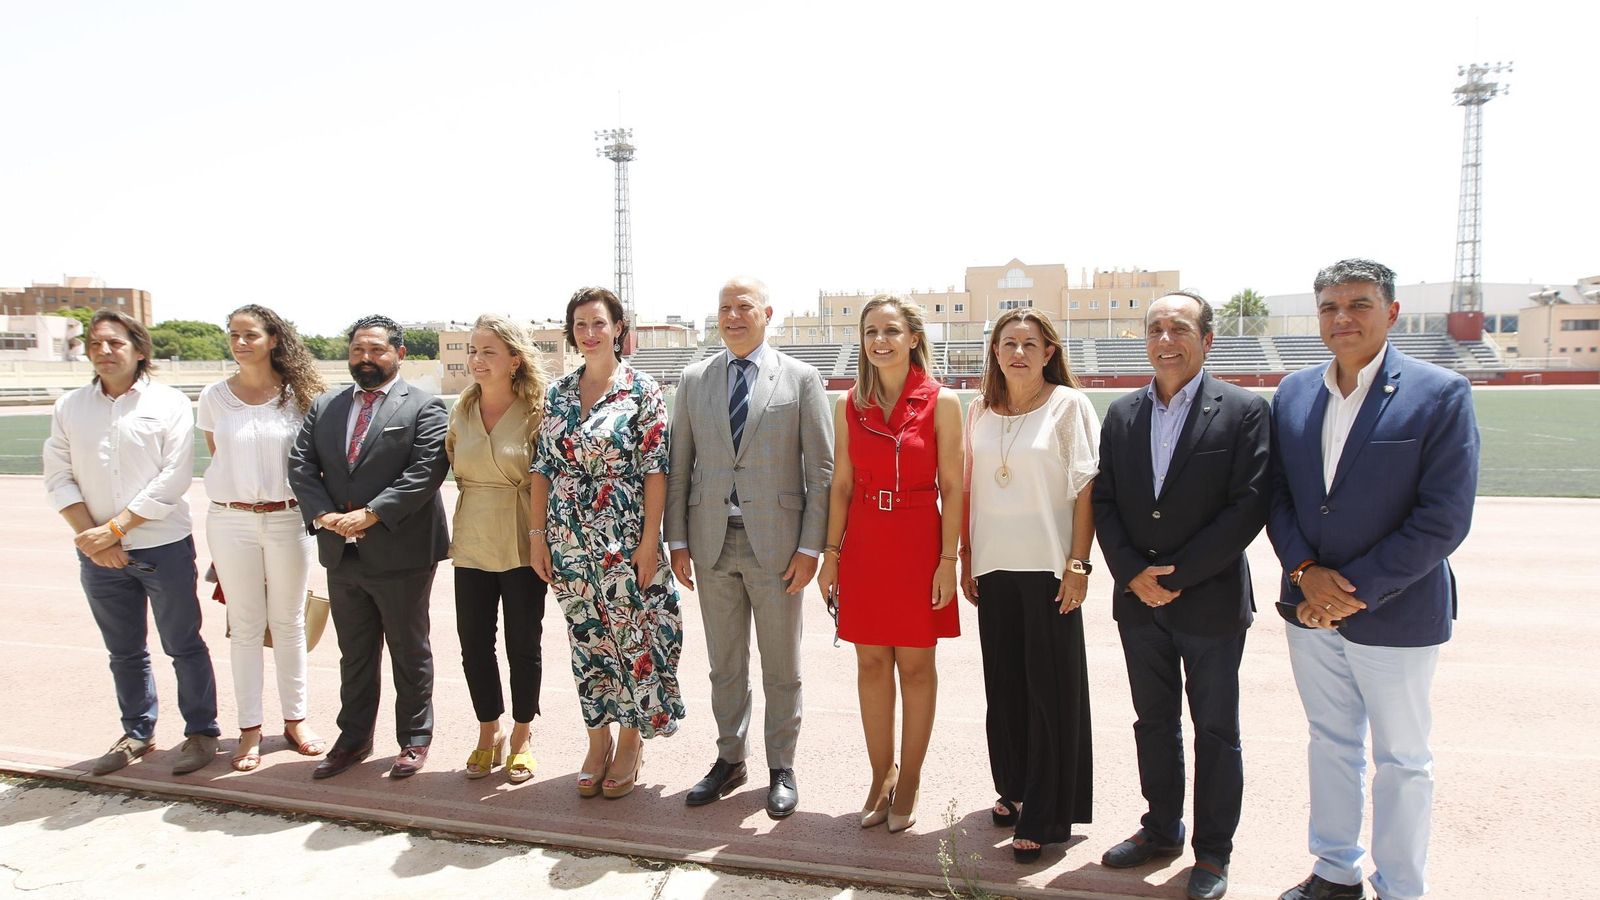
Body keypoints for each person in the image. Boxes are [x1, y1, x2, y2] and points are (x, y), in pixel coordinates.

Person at [1268, 260, 1479, 900]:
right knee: (1330, 743)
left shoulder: (1439, 393)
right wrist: (1307, 574)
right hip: (1308, 609)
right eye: (1331, 306)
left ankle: (1401, 887)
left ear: (1390, 313)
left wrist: (1346, 591)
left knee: (1403, 760)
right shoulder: (1293, 393)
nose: (1343, 318)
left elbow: (1443, 518)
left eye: (1359, 305)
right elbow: (1276, 497)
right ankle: (1336, 872)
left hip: (1397, 610)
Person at [1092, 291, 1271, 900]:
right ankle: (1161, 828)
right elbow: (1106, 501)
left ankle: (1213, 853)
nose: (1166, 339)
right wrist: (1128, 574)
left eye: (1180, 328)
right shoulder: (1120, 415)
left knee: (1216, 729)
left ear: (1207, 339)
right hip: (1138, 602)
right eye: (1155, 328)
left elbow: (1248, 506)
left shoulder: (1244, 410)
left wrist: (1177, 575)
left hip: (1210, 601)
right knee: (1154, 721)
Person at [666, 276, 833, 819]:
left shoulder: (802, 379)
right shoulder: (694, 380)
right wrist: (678, 539)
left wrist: (812, 548)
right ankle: (729, 759)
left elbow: (822, 471)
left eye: (743, 307)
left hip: (779, 547)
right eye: (723, 309)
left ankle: (781, 766)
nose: (732, 317)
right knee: (724, 665)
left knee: (781, 664)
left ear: (766, 312)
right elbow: (678, 468)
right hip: (712, 543)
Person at [43, 309, 221, 776]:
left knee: (183, 643)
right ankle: (137, 732)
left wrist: (115, 529)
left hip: (162, 545)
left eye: (115, 343)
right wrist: (93, 538)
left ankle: (201, 731)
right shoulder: (70, 407)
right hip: (96, 552)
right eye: (95, 343)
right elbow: (58, 476)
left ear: (140, 350)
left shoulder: (170, 404)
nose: (103, 351)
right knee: (123, 650)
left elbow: (173, 479)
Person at [816, 294, 963, 834]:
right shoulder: (848, 405)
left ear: (914, 338)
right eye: (871, 331)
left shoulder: (942, 403)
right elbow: (842, 486)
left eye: (891, 331)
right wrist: (831, 557)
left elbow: (952, 486)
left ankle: (912, 778)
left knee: (917, 667)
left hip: (920, 540)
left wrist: (949, 559)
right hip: (866, 543)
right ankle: (881, 774)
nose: (880, 341)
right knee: (871, 664)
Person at [530, 286, 684, 800]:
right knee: (587, 642)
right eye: (580, 325)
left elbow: (655, 470)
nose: (590, 333)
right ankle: (595, 741)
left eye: (599, 323)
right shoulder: (557, 393)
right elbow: (544, 468)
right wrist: (538, 538)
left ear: (618, 328)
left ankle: (630, 741)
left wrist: (649, 542)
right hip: (568, 540)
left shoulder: (643, 391)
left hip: (623, 538)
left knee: (633, 640)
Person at [957, 307, 1099, 863]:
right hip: (993, 567)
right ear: (995, 351)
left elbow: (1087, 487)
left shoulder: (1069, 406)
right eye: (1008, 342)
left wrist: (1079, 565)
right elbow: (969, 489)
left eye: (1030, 344)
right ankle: (1013, 787)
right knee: (1006, 688)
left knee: (1050, 693)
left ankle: (1046, 810)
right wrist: (967, 553)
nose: (1018, 352)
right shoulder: (979, 411)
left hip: (1048, 568)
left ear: (1049, 353)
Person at [287, 314, 450, 780]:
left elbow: (425, 471)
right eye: (358, 349)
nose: (366, 358)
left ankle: (415, 738)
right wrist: (322, 515)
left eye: (376, 350)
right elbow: (302, 464)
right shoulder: (325, 406)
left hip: (403, 552)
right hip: (342, 553)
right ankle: (353, 738)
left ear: (399, 354)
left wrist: (372, 514)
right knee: (354, 652)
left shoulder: (424, 406)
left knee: (408, 648)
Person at [199, 304, 328, 772]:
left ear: (274, 339)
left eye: (249, 334)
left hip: (288, 519)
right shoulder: (214, 397)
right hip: (230, 520)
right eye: (233, 334)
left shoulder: (301, 396)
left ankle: (296, 720)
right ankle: (249, 729)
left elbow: (313, 463)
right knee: (246, 625)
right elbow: (220, 457)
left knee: (290, 621)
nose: (239, 342)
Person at [446, 314, 550, 783]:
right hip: (472, 537)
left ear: (514, 359)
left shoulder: (538, 411)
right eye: (472, 350)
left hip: (521, 534)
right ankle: (489, 730)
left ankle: (523, 734)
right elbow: (452, 462)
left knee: (522, 644)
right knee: (474, 644)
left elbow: (546, 479)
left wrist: (539, 536)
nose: (477, 360)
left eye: (489, 351)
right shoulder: (461, 409)